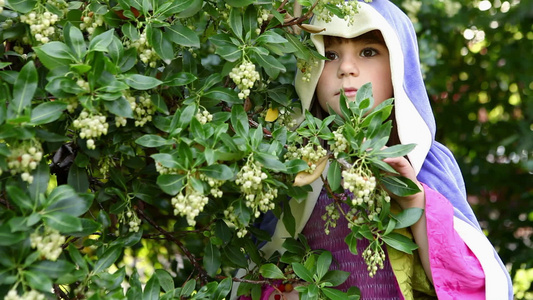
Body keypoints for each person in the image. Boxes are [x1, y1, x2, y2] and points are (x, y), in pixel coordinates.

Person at [233, 1, 512, 299]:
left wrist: (413, 199)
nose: (346, 69)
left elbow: (474, 287)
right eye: (330, 55)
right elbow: (257, 270)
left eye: (368, 52)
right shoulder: (293, 162)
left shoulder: (427, 164)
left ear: (398, 66)